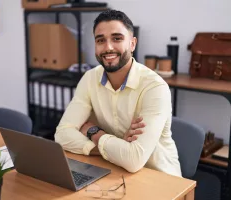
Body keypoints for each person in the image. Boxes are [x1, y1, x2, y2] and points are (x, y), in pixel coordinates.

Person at [55, 9, 181, 177]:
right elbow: (62, 135)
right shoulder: (90, 78)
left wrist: (94, 133)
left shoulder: (155, 87)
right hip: (114, 171)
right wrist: (118, 148)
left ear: (132, 44)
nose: (108, 47)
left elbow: (134, 159)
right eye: (101, 40)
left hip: (161, 179)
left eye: (117, 38)